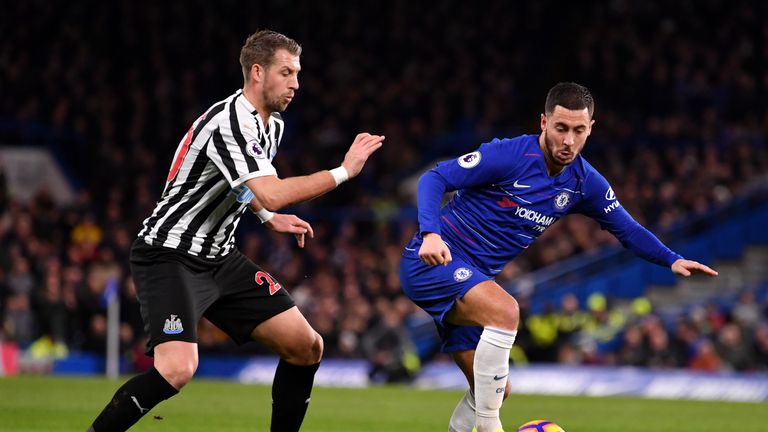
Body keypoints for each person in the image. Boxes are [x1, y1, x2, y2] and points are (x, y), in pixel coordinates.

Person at [88, 30, 384, 432]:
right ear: (258, 72)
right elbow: (272, 191)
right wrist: (344, 171)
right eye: (287, 72)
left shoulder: (272, 125)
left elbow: (245, 185)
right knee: (177, 369)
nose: (296, 82)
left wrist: (265, 217)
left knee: (306, 346)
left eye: (297, 73)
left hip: (219, 257)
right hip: (169, 254)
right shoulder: (229, 122)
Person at [399, 82, 717, 432]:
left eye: (578, 130)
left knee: (493, 389)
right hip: (431, 261)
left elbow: (627, 229)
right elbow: (435, 177)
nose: (568, 140)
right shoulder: (509, 155)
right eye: (561, 128)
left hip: (472, 280)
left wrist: (671, 259)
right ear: (543, 123)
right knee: (506, 312)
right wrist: (430, 233)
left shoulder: (584, 182)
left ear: (590, 129)